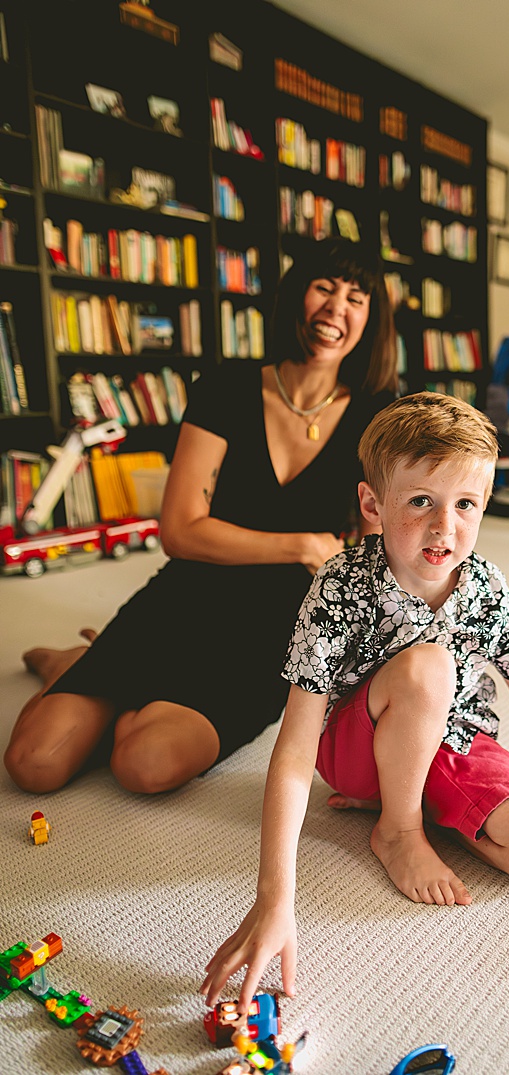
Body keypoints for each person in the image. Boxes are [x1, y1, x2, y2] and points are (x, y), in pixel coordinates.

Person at [201, 393, 509, 1008]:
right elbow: (293, 748)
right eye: (421, 501)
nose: (445, 528)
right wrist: (274, 898)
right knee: (429, 666)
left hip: (454, 735)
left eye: (466, 504)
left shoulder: (488, 588)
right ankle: (397, 828)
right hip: (356, 744)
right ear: (373, 504)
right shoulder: (339, 584)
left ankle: (417, 794)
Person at [4, 239, 398, 795]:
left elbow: (375, 550)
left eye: (357, 298)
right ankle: (82, 664)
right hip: (188, 594)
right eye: (325, 288)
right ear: (298, 297)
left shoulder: (379, 414)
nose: (337, 307)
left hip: (281, 624)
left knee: (143, 764)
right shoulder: (229, 386)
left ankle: (94, 673)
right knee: (32, 763)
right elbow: (180, 530)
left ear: (371, 319)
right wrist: (304, 546)